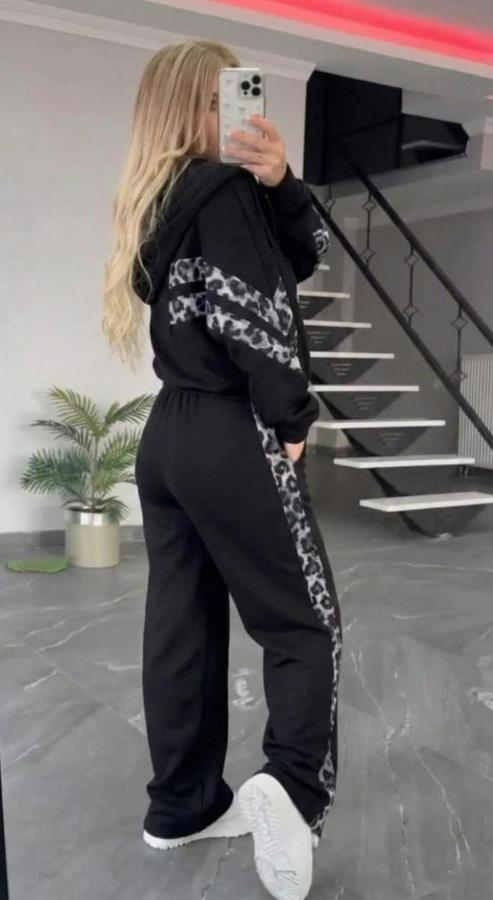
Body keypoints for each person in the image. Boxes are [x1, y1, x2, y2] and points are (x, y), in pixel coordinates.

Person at [102, 39, 343, 900]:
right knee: (303, 624)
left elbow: (299, 253)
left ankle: (181, 807)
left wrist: (281, 183)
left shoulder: (161, 198)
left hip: (168, 434)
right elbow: (259, 312)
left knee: (183, 626)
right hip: (231, 426)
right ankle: (291, 789)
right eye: (220, 100)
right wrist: (291, 417)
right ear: (190, 110)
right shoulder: (224, 191)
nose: (237, 113)